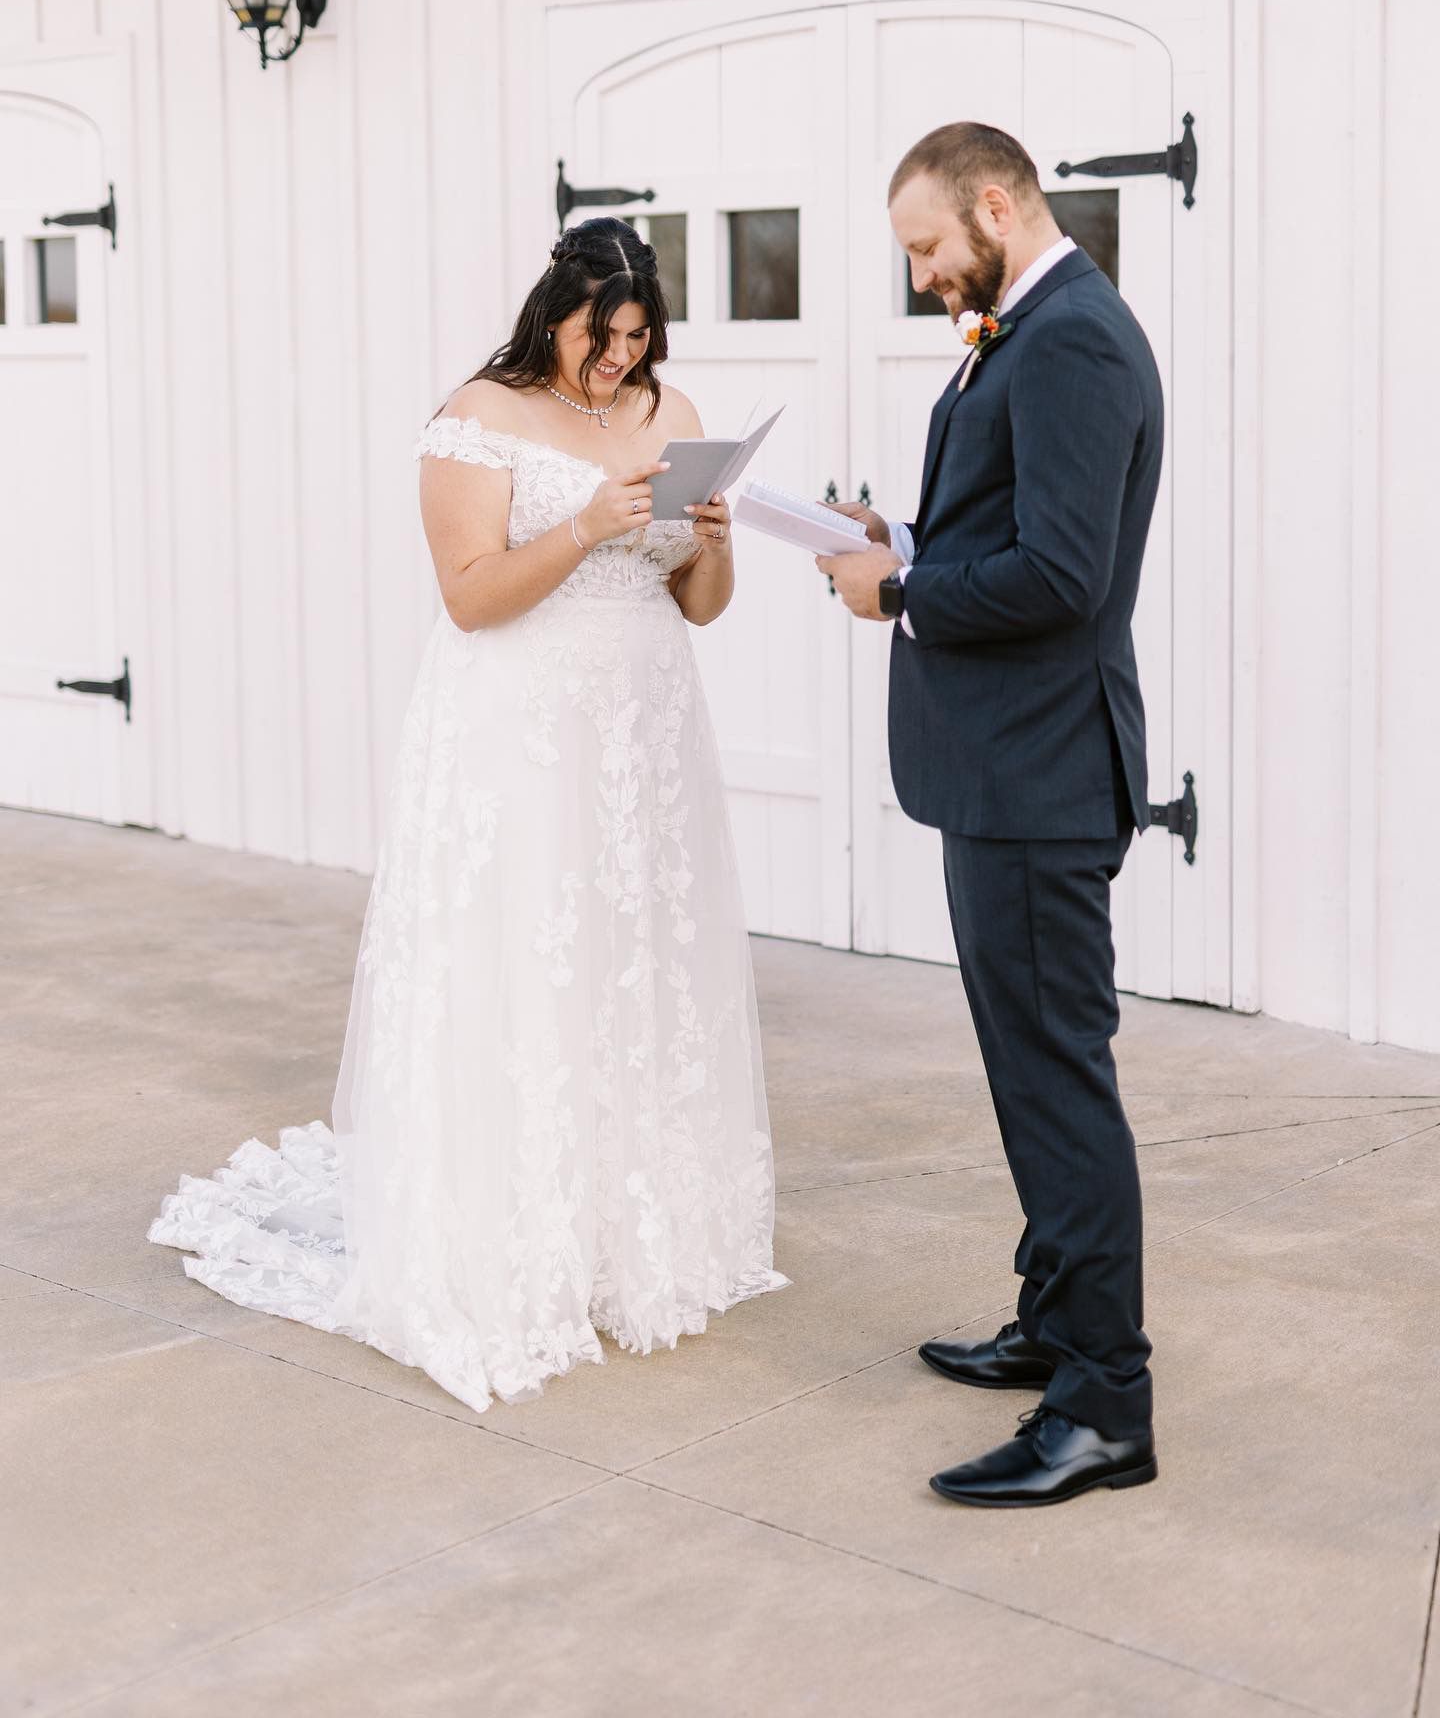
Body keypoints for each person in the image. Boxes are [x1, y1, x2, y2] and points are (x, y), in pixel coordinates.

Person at [151, 217, 786, 1414]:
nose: (619, 363)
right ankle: (513, 1231)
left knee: (631, 959)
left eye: (639, 340)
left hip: (643, 729)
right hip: (522, 730)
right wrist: (590, 523)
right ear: (555, 315)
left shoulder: (673, 410)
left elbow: (701, 605)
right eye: (604, 338)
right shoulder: (477, 418)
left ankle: (630, 1232)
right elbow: (472, 597)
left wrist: (709, 542)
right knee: (526, 962)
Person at [820, 123, 1163, 1507]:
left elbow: (1065, 577)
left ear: (998, 205)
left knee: (1057, 1084)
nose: (918, 277)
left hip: (1040, 777)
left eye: (925, 247)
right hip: (1007, 770)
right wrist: (894, 544)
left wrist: (899, 599)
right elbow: (1006, 534)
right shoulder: (1029, 326)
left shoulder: (1074, 336)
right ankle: (1053, 1326)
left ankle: (1106, 1406)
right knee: (1031, 1074)